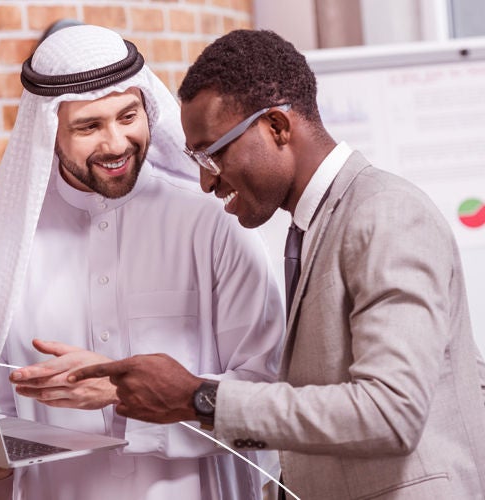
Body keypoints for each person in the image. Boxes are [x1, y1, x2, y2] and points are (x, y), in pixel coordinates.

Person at [71, 29, 485, 499]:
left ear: (277, 127)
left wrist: (196, 397)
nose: (206, 181)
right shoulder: (316, 226)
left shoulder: (385, 213)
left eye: (213, 153)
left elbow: (391, 414)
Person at [0, 24, 286, 499]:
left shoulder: (212, 221)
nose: (116, 143)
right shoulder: (14, 244)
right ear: (49, 131)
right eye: (89, 126)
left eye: (128, 116)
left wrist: (125, 397)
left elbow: (266, 396)